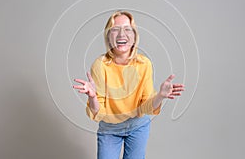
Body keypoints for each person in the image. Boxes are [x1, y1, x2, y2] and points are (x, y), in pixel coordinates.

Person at [73, 11, 185, 159]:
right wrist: (93, 97)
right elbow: (98, 113)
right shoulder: (100, 65)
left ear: (134, 36)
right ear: (108, 36)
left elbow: (146, 107)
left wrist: (160, 96)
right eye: (115, 29)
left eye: (127, 29)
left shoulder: (144, 64)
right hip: (109, 129)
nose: (121, 34)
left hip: (137, 126)